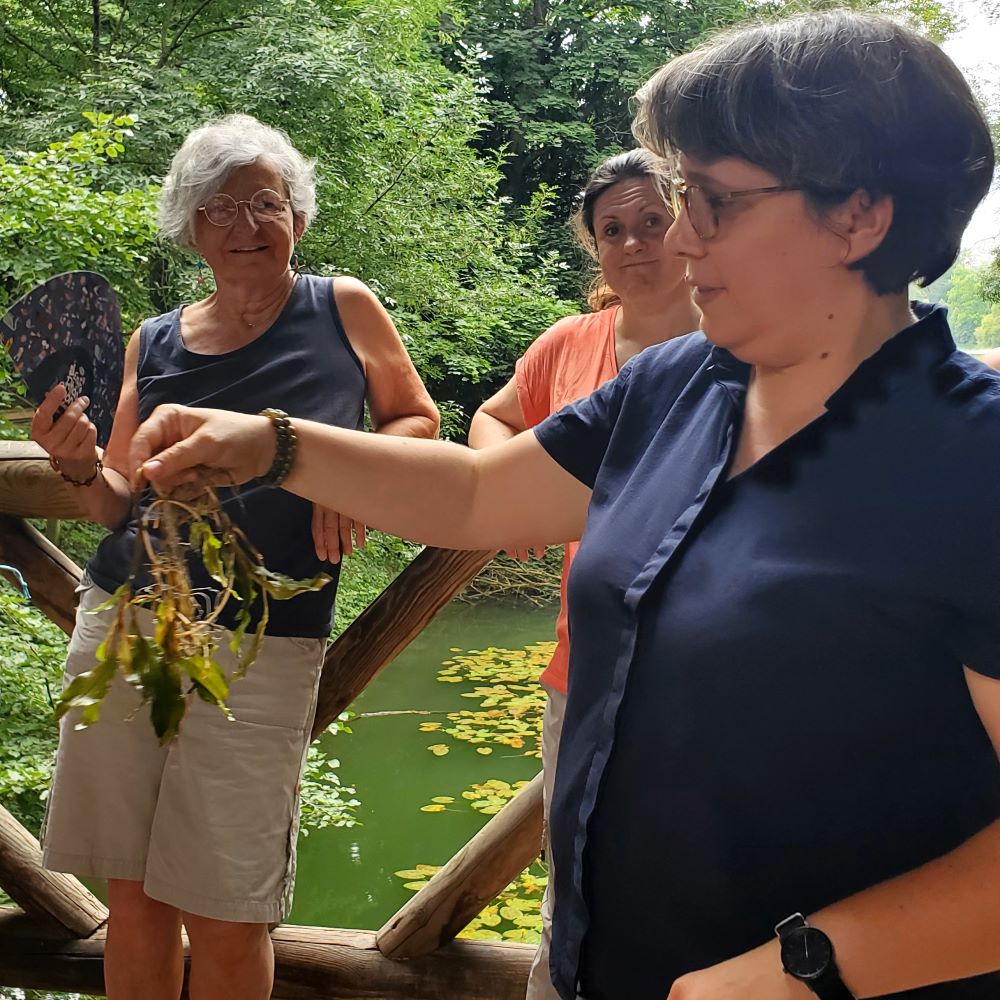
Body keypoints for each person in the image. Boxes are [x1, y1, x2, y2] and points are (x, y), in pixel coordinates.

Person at [129, 12, 1000, 999]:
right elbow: (475, 495)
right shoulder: (671, 385)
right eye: (680, 195)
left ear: (859, 215)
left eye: (712, 200)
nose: (676, 235)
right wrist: (276, 443)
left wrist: (799, 971)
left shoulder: (973, 463)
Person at [31, 113, 438, 1000]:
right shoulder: (156, 340)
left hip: (265, 633)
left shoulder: (343, 307)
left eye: (266, 201)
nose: (248, 224)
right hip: (129, 622)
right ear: (189, 228)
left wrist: (338, 472)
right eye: (221, 208)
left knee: (226, 904)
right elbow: (116, 502)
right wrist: (72, 463)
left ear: (297, 213)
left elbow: (417, 418)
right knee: (132, 895)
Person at [468, 147, 698, 1000]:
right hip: (587, 664)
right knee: (576, 886)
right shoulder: (571, 343)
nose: (635, 245)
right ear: (593, 248)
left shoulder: (741, 339)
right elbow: (491, 419)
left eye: (652, 222)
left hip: (714, 672)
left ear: (691, 224)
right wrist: (510, 498)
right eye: (613, 231)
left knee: (699, 881)